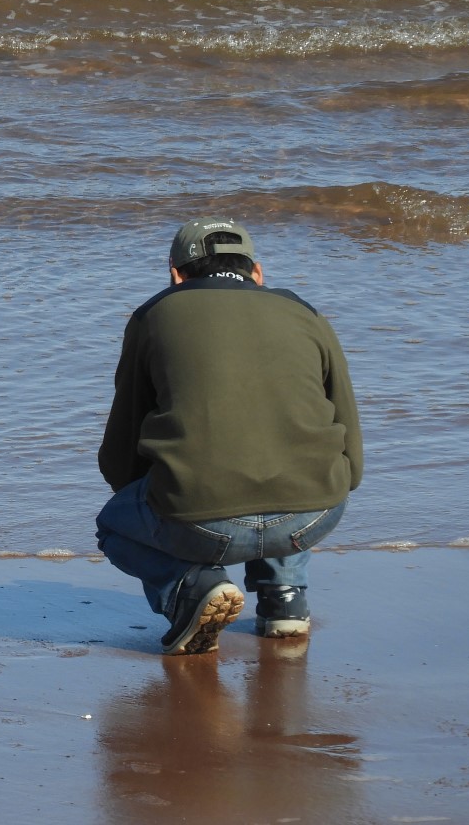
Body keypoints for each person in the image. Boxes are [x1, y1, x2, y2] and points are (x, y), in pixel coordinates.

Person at [95, 218, 362, 655]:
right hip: (314, 513)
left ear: (175, 274)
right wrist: (339, 487)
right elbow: (349, 437)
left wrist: (154, 498)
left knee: (113, 526)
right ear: (257, 273)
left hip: (204, 521)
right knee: (285, 454)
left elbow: (122, 445)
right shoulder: (306, 313)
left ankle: (192, 586)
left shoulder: (154, 314)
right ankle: (285, 600)